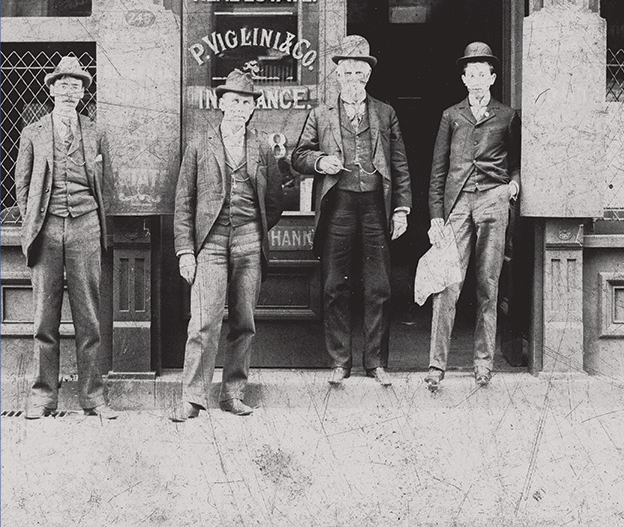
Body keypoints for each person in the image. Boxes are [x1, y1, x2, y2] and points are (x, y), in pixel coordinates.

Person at [170, 70, 293, 422]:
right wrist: (185, 250)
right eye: (235, 101)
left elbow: (275, 199)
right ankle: (192, 398)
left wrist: (254, 230)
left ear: (253, 109)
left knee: (244, 321)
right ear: (222, 103)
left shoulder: (261, 147)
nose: (240, 108)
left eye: (247, 103)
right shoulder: (199, 143)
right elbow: (184, 201)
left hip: (249, 242)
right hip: (209, 243)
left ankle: (234, 394)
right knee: (203, 323)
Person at [292, 35, 411, 387]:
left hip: (376, 205)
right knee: (333, 286)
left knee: (380, 287)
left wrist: (401, 209)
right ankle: (339, 362)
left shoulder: (385, 113)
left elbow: (400, 164)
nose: (354, 80)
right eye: (348, 74)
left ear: (368, 77)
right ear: (338, 76)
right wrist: (320, 161)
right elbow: (298, 155)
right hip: (338, 205)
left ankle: (375, 362)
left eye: (360, 74)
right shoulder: (321, 114)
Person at [14, 56, 117, 419]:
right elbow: (22, 186)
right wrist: (35, 220)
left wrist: (89, 216)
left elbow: (105, 184)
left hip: (86, 227)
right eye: (64, 84)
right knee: (45, 318)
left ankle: (94, 397)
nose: (70, 90)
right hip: (45, 230)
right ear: (52, 88)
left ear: (83, 91)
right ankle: (43, 395)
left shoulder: (95, 130)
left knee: (89, 317)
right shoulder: (33, 132)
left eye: (77, 85)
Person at [425, 42, 520, 390]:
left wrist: (513, 183)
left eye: (484, 73)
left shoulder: (507, 116)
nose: (477, 79)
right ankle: (437, 367)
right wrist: (437, 214)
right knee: (447, 284)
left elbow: (518, 162)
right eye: (471, 73)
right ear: (464, 79)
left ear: (492, 77)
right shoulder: (451, 116)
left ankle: (483, 364)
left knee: (487, 284)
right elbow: (438, 169)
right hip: (458, 204)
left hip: (493, 200)